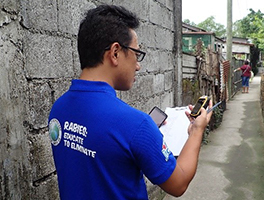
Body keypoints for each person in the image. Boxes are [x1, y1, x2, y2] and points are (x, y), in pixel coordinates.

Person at [48, 4, 212, 200]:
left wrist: (144, 136)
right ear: (115, 53)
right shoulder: (137, 125)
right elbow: (179, 183)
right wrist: (196, 130)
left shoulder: (58, 109)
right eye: (136, 53)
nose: (138, 65)